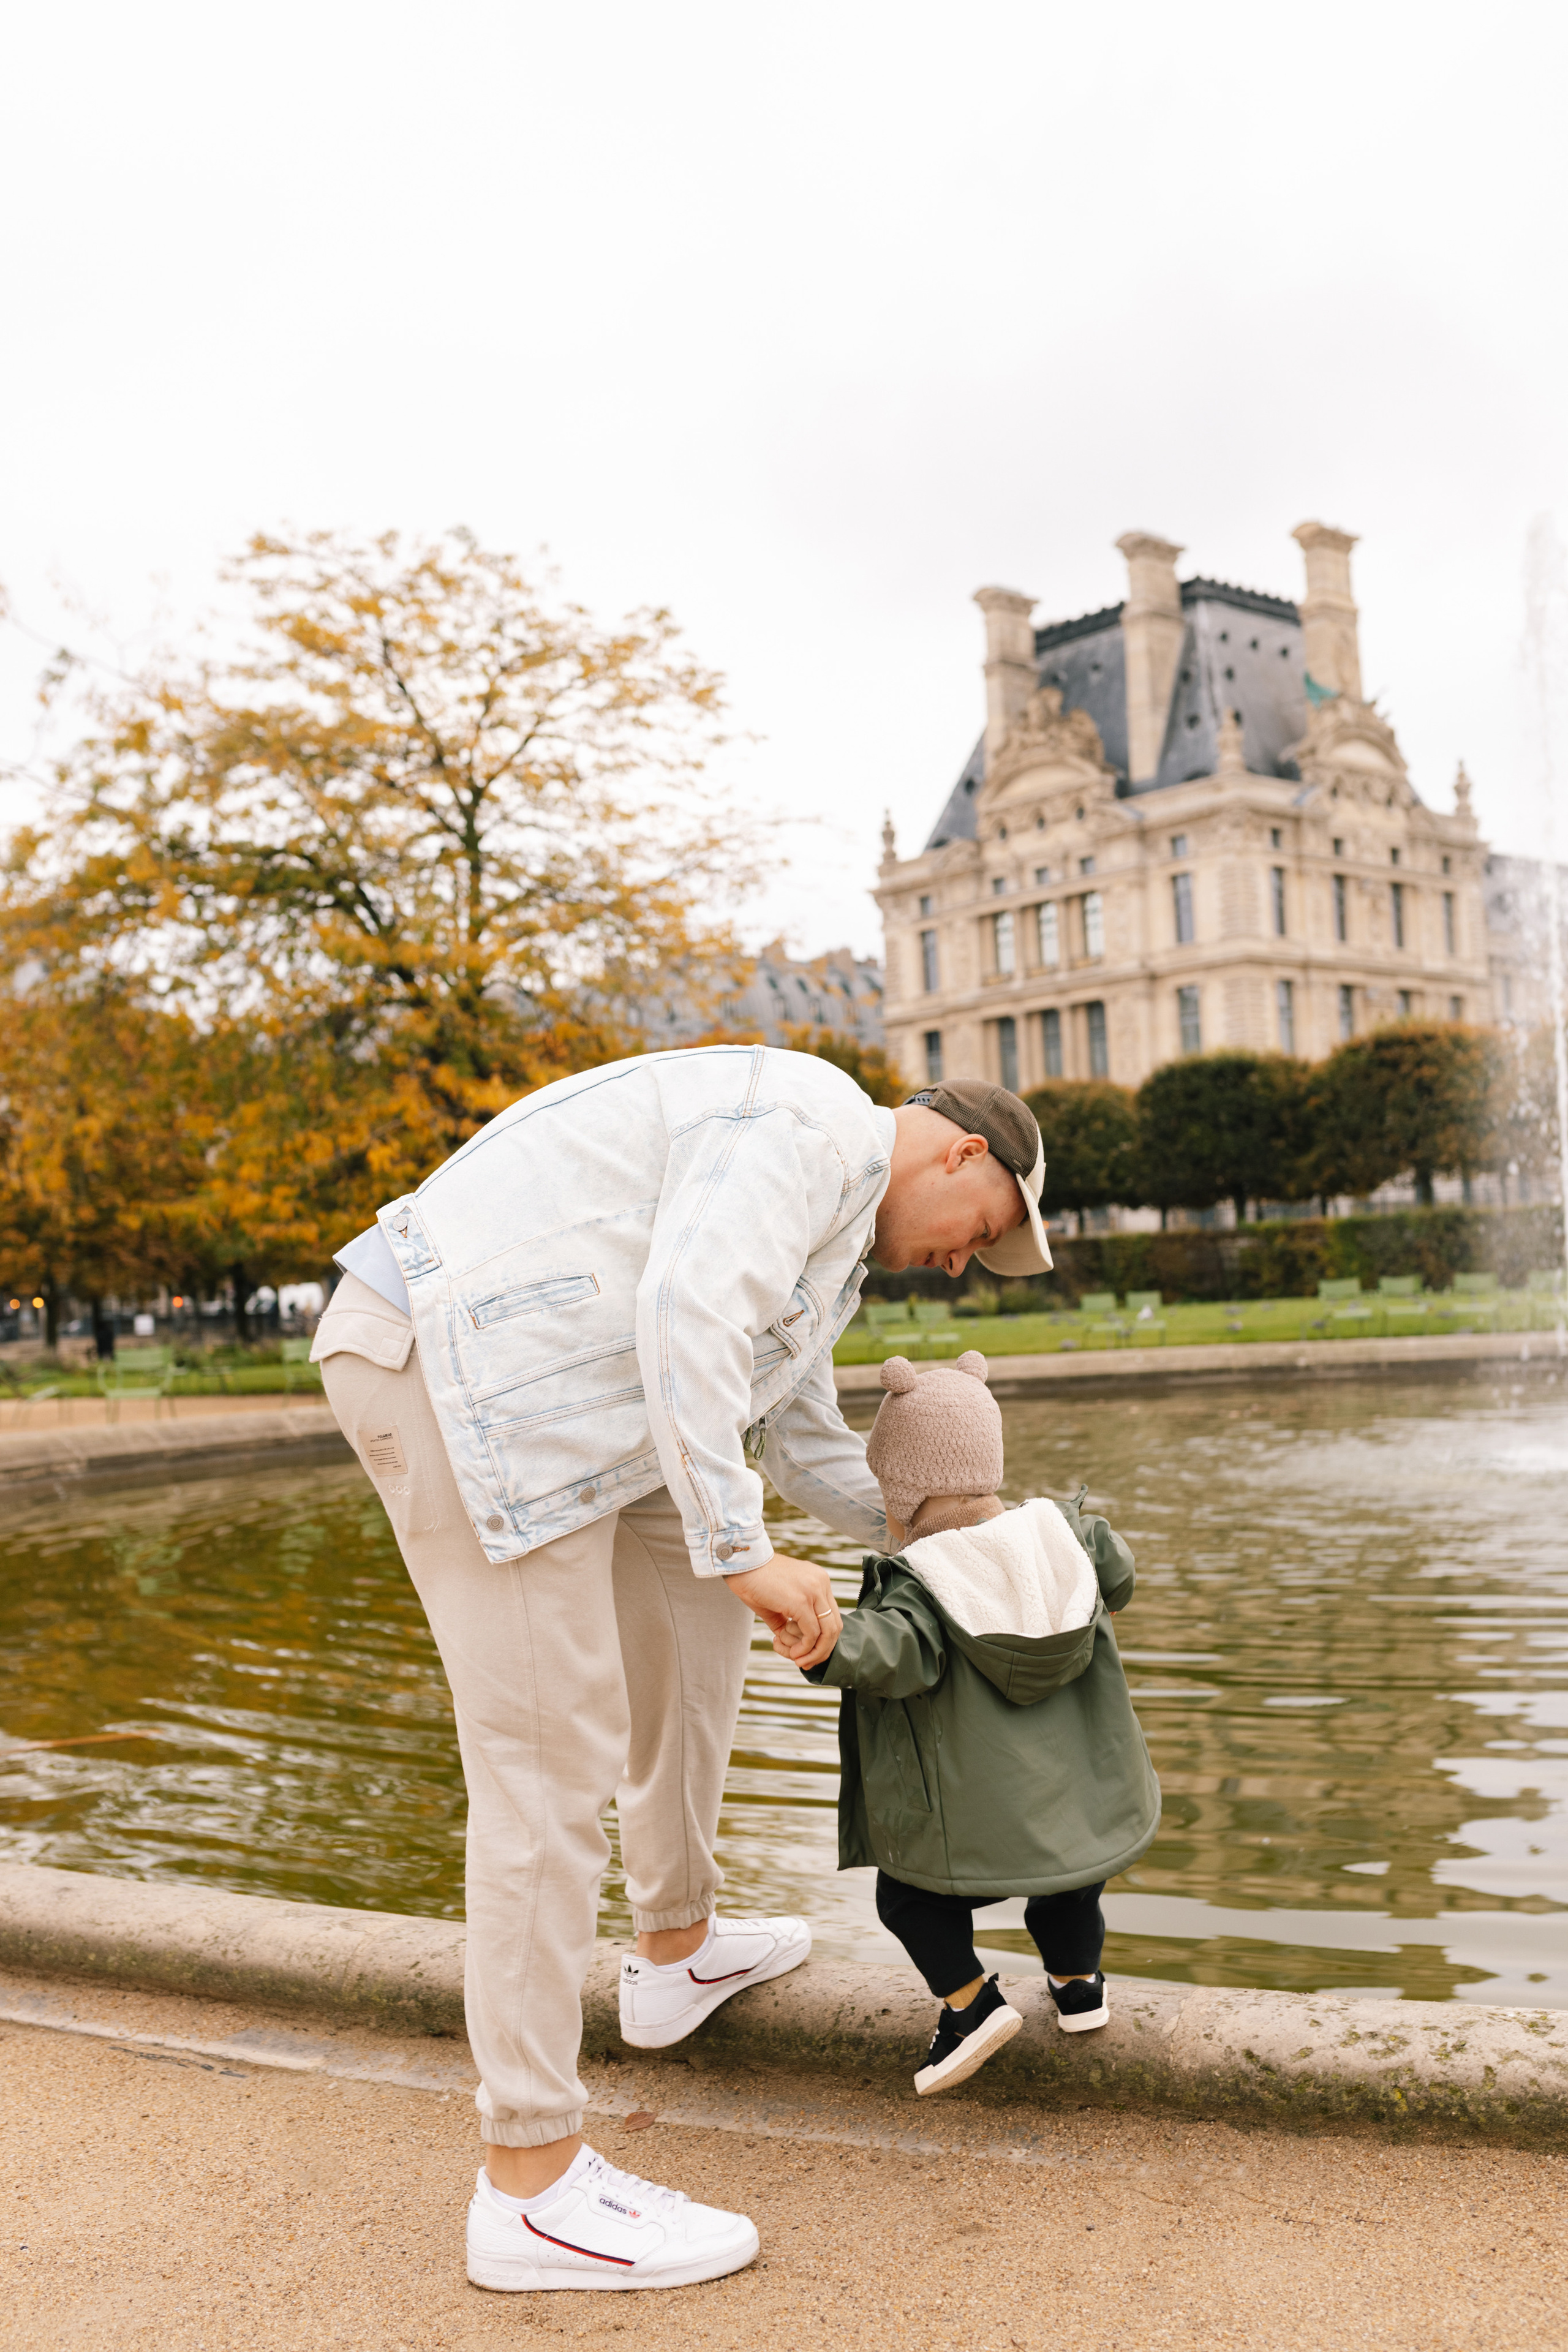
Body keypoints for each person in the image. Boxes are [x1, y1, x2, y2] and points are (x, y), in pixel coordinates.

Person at [309, 1049, 1052, 2292]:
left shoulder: (831, 1240)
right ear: (961, 1154)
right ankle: (530, 2184)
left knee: (697, 1621)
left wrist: (963, 1536)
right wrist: (744, 1549)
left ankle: (675, 1949)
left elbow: (803, 1435)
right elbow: (685, 1316)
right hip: (463, 1376)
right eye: (979, 1233)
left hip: (569, 1394)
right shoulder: (812, 1127)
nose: (964, 1262)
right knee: (549, 1763)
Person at [799, 1349, 1160, 2097]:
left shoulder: (922, 1584)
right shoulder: (1067, 1536)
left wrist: (827, 1641)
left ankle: (970, 2004)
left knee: (906, 1899)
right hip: (1071, 1807)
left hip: (967, 1825)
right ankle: (1078, 1988)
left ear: (902, 1488)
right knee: (1068, 1889)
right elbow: (1117, 1571)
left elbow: (890, 1653)